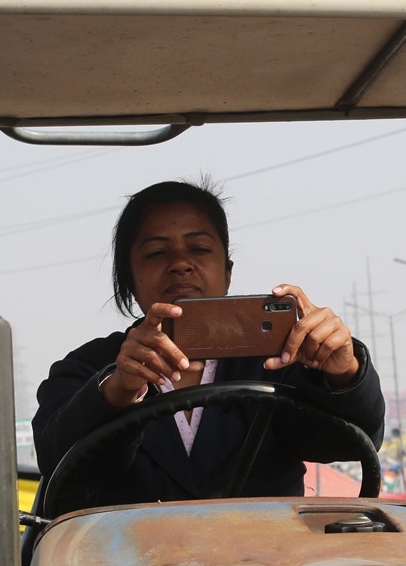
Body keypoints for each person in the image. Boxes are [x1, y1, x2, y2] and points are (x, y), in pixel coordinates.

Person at [32, 180, 385, 509]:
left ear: (227, 272)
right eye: (156, 253)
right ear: (128, 278)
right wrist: (118, 390)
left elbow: (351, 441)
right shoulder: (87, 369)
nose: (181, 264)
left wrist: (344, 374)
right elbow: (58, 461)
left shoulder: (283, 359)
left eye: (199, 248)